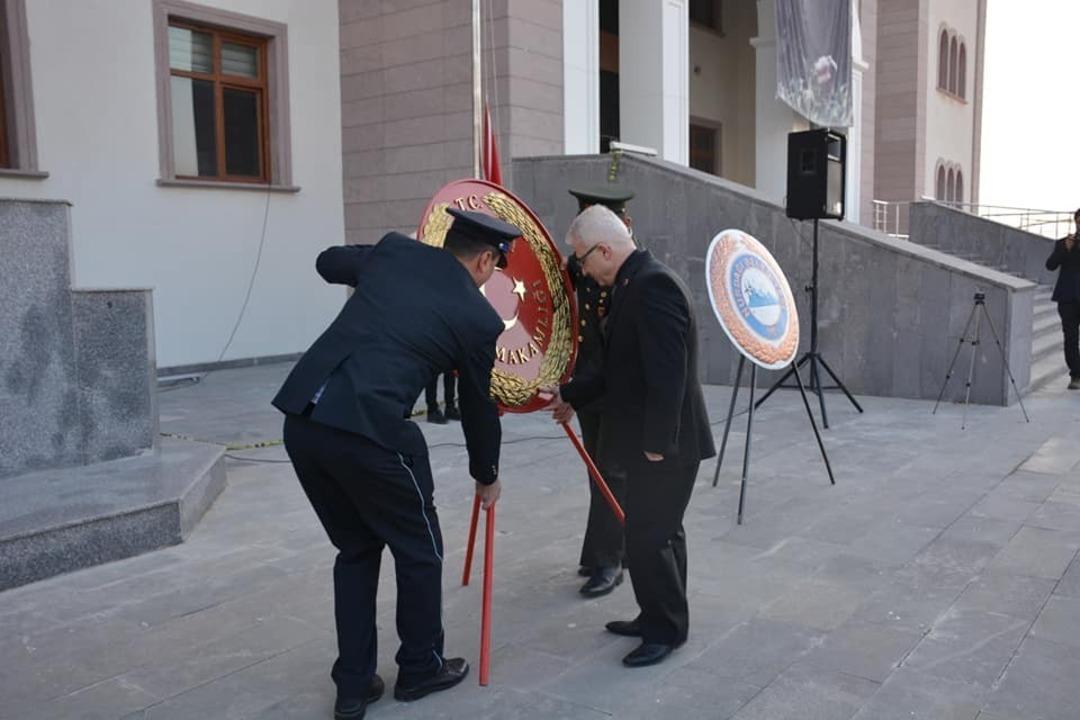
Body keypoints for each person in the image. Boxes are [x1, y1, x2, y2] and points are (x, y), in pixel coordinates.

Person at [272, 209, 519, 719]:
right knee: (419, 551)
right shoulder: (478, 320)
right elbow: (478, 406)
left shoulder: (394, 253)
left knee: (357, 549)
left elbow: (327, 263)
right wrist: (487, 475)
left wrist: (386, 253)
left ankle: (353, 687)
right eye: (495, 268)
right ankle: (420, 667)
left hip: (303, 421)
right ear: (485, 259)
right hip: (370, 431)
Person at [547, 205, 715, 668]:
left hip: (665, 445)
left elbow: (667, 376)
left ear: (604, 249)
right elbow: (618, 369)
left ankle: (666, 631)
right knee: (657, 534)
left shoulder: (651, 285)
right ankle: (657, 614)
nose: (581, 268)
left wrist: (658, 444)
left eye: (581, 258)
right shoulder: (630, 283)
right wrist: (570, 394)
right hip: (654, 441)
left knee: (650, 536)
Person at [566, 184, 635, 598]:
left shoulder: (626, 270)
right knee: (598, 471)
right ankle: (602, 552)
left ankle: (611, 561)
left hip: (615, 386)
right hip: (588, 384)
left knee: (612, 471)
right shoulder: (580, 266)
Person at [1046, 207, 1080, 390]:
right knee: (1071, 338)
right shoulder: (1063, 243)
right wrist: (1064, 250)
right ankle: (1076, 375)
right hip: (1067, 298)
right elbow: (1050, 265)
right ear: (1076, 221)